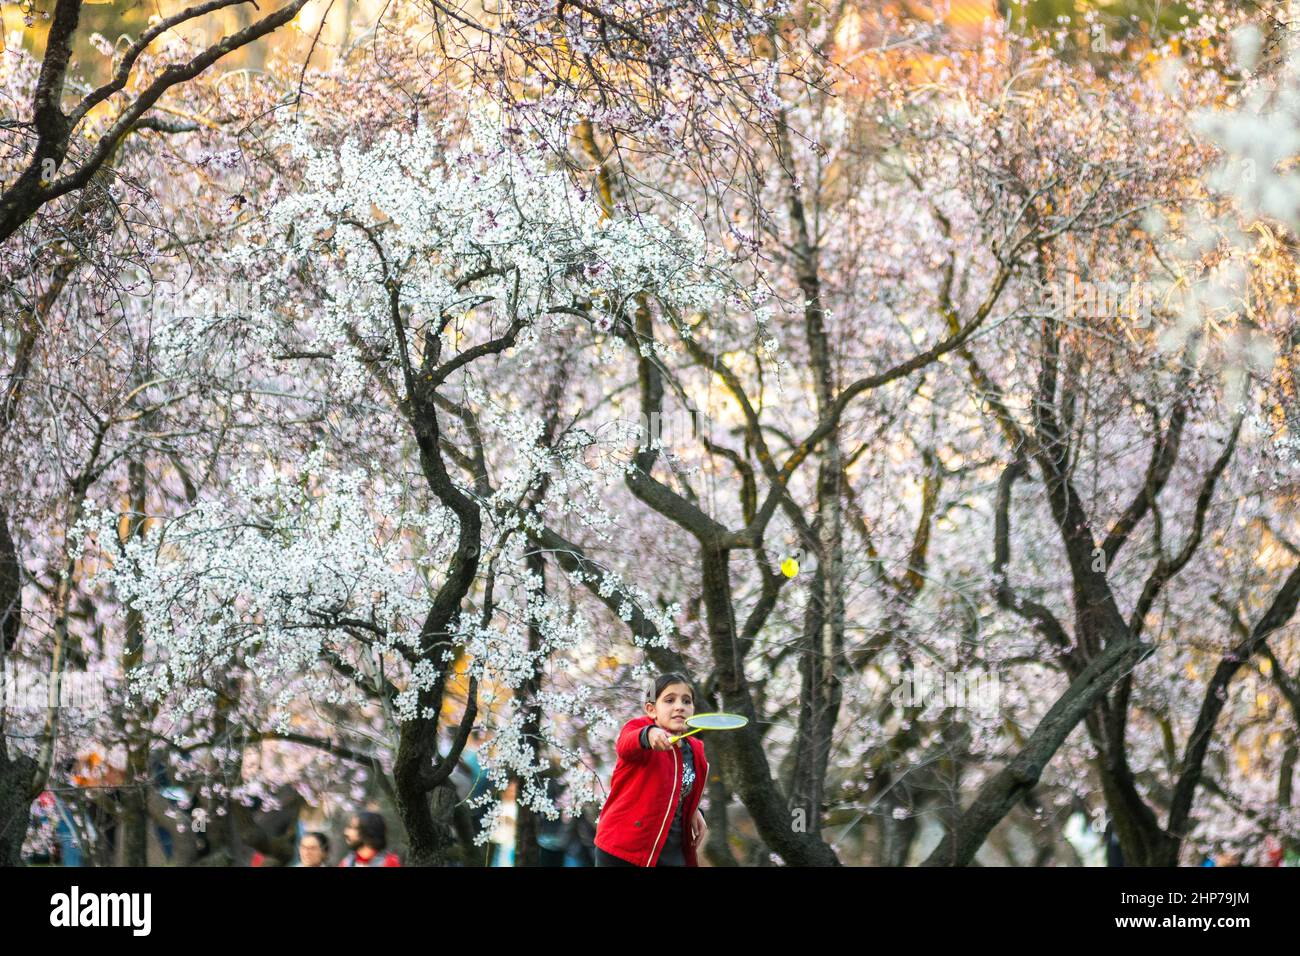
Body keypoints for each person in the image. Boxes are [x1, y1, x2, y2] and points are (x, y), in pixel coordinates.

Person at [593, 672, 709, 867]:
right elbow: (625, 743)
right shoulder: (639, 731)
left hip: (671, 853)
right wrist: (648, 734)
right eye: (670, 700)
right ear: (651, 709)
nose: (679, 706)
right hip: (623, 851)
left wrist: (694, 810)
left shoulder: (695, 749)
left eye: (686, 701)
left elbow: (678, 790)